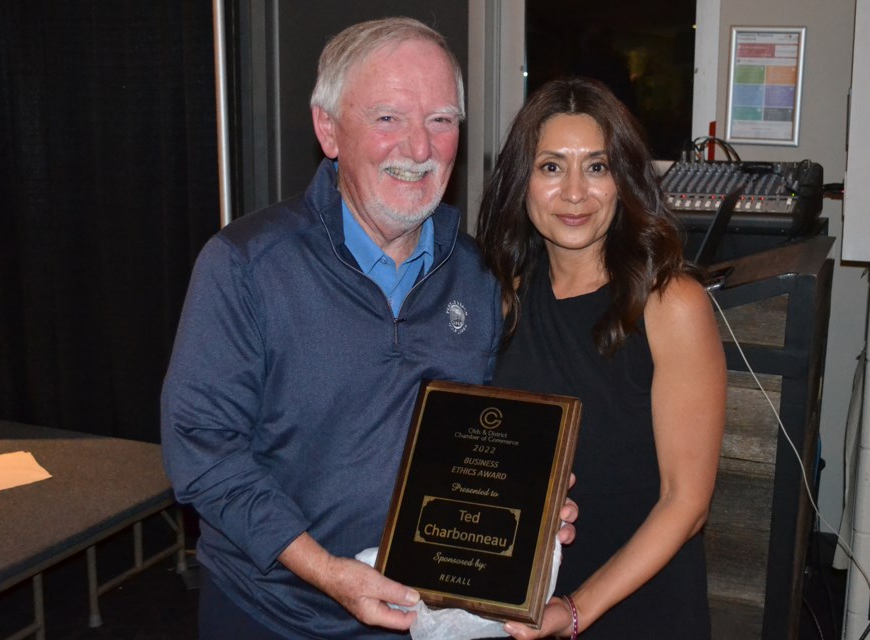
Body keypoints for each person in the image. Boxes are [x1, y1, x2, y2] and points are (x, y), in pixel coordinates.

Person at [161, 18, 576, 640]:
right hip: (273, 617)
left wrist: (534, 502)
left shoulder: (481, 278)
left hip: (429, 621)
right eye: (389, 118)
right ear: (328, 130)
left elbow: (492, 436)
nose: (418, 149)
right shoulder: (246, 266)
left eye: (441, 120)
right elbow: (202, 450)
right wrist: (325, 571)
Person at [476, 77, 726, 639]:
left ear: (624, 181)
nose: (573, 193)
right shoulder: (503, 296)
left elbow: (686, 502)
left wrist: (577, 609)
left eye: (596, 167)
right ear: (522, 182)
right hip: (525, 602)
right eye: (550, 167)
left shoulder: (671, 304)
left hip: (638, 604)